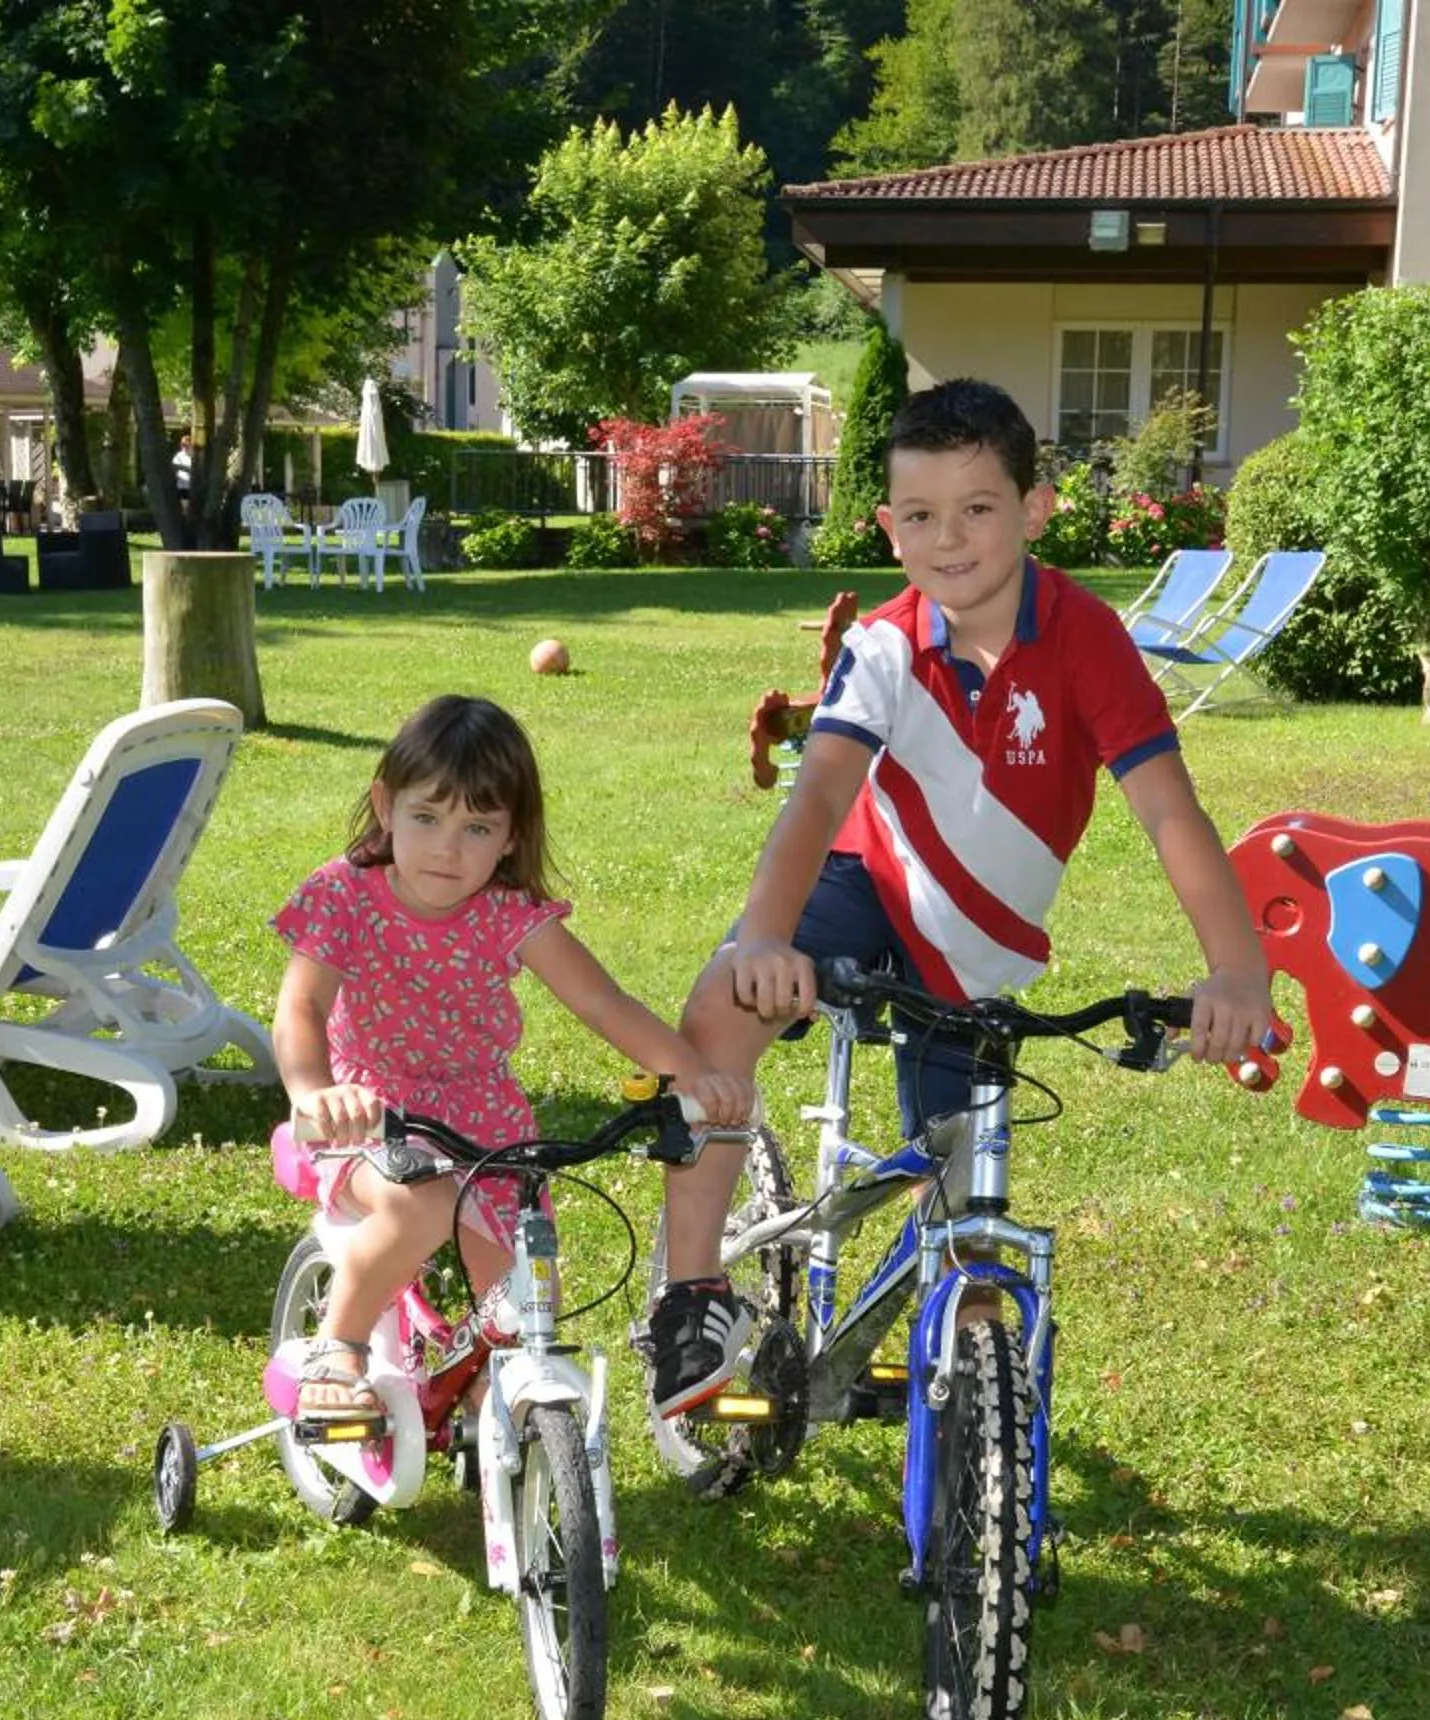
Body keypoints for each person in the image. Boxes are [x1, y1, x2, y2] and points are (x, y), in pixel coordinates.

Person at [637, 378, 1281, 1422]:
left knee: (965, 1217)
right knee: (722, 1008)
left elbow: (1171, 812)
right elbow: (820, 797)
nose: (950, 538)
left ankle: (965, 1402)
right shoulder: (885, 645)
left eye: (979, 508)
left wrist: (1238, 967)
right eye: (922, 514)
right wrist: (763, 935)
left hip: (978, 945)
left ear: (1035, 510)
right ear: (889, 527)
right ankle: (693, 1290)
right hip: (864, 884)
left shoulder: (1089, 641)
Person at [273, 693, 754, 1415]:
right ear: (384, 805)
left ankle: (491, 1426)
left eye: (477, 827)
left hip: (486, 1119)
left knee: (526, 1300)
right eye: (426, 817)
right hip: (372, 1113)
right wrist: (316, 1092)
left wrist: (694, 1074)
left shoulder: (509, 915)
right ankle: (337, 1344)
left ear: (509, 836)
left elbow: (604, 1004)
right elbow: (302, 1006)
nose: (447, 848)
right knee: (419, 1211)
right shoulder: (345, 896)